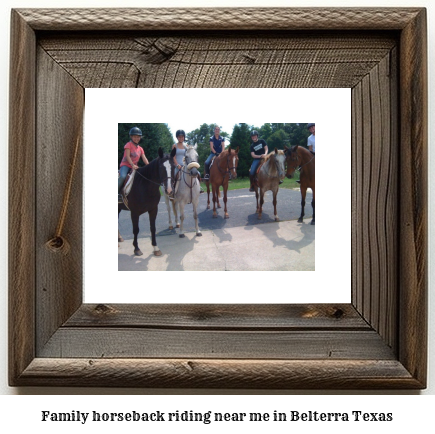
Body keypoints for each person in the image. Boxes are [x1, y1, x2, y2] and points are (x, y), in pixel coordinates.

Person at [118, 127, 149, 201]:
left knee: (140, 178)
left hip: (134, 167)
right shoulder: (128, 145)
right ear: (131, 136)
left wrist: (148, 166)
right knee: (122, 176)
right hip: (126, 165)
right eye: (134, 136)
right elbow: (127, 156)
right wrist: (132, 165)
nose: (136, 138)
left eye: (138, 137)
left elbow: (144, 158)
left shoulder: (140, 149)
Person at [170, 129, 204, 198]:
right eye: (179, 137)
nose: (181, 138)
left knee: (198, 173)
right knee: (174, 175)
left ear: (184, 137)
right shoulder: (174, 146)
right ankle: (173, 191)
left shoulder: (186, 145)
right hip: (178, 165)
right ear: (177, 137)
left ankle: (198, 188)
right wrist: (177, 165)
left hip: (186, 165)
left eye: (182, 137)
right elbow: (173, 157)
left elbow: (189, 155)